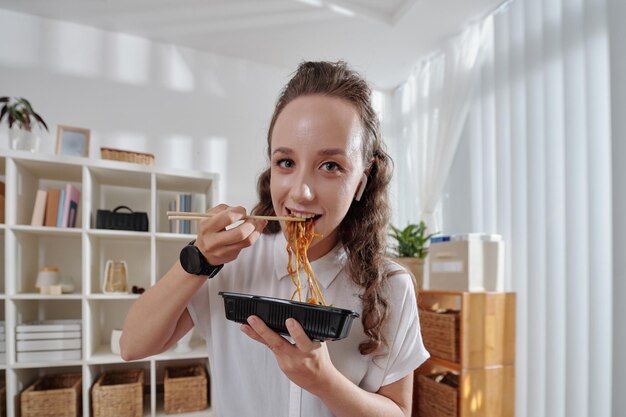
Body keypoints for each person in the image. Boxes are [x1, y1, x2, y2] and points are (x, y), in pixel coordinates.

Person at [121, 60, 429, 417]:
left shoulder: (391, 285)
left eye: (330, 166)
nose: (302, 192)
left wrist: (324, 382)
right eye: (286, 162)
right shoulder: (231, 260)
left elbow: (398, 412)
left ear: (362, 178)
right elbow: (132, 346)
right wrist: (199, 258)